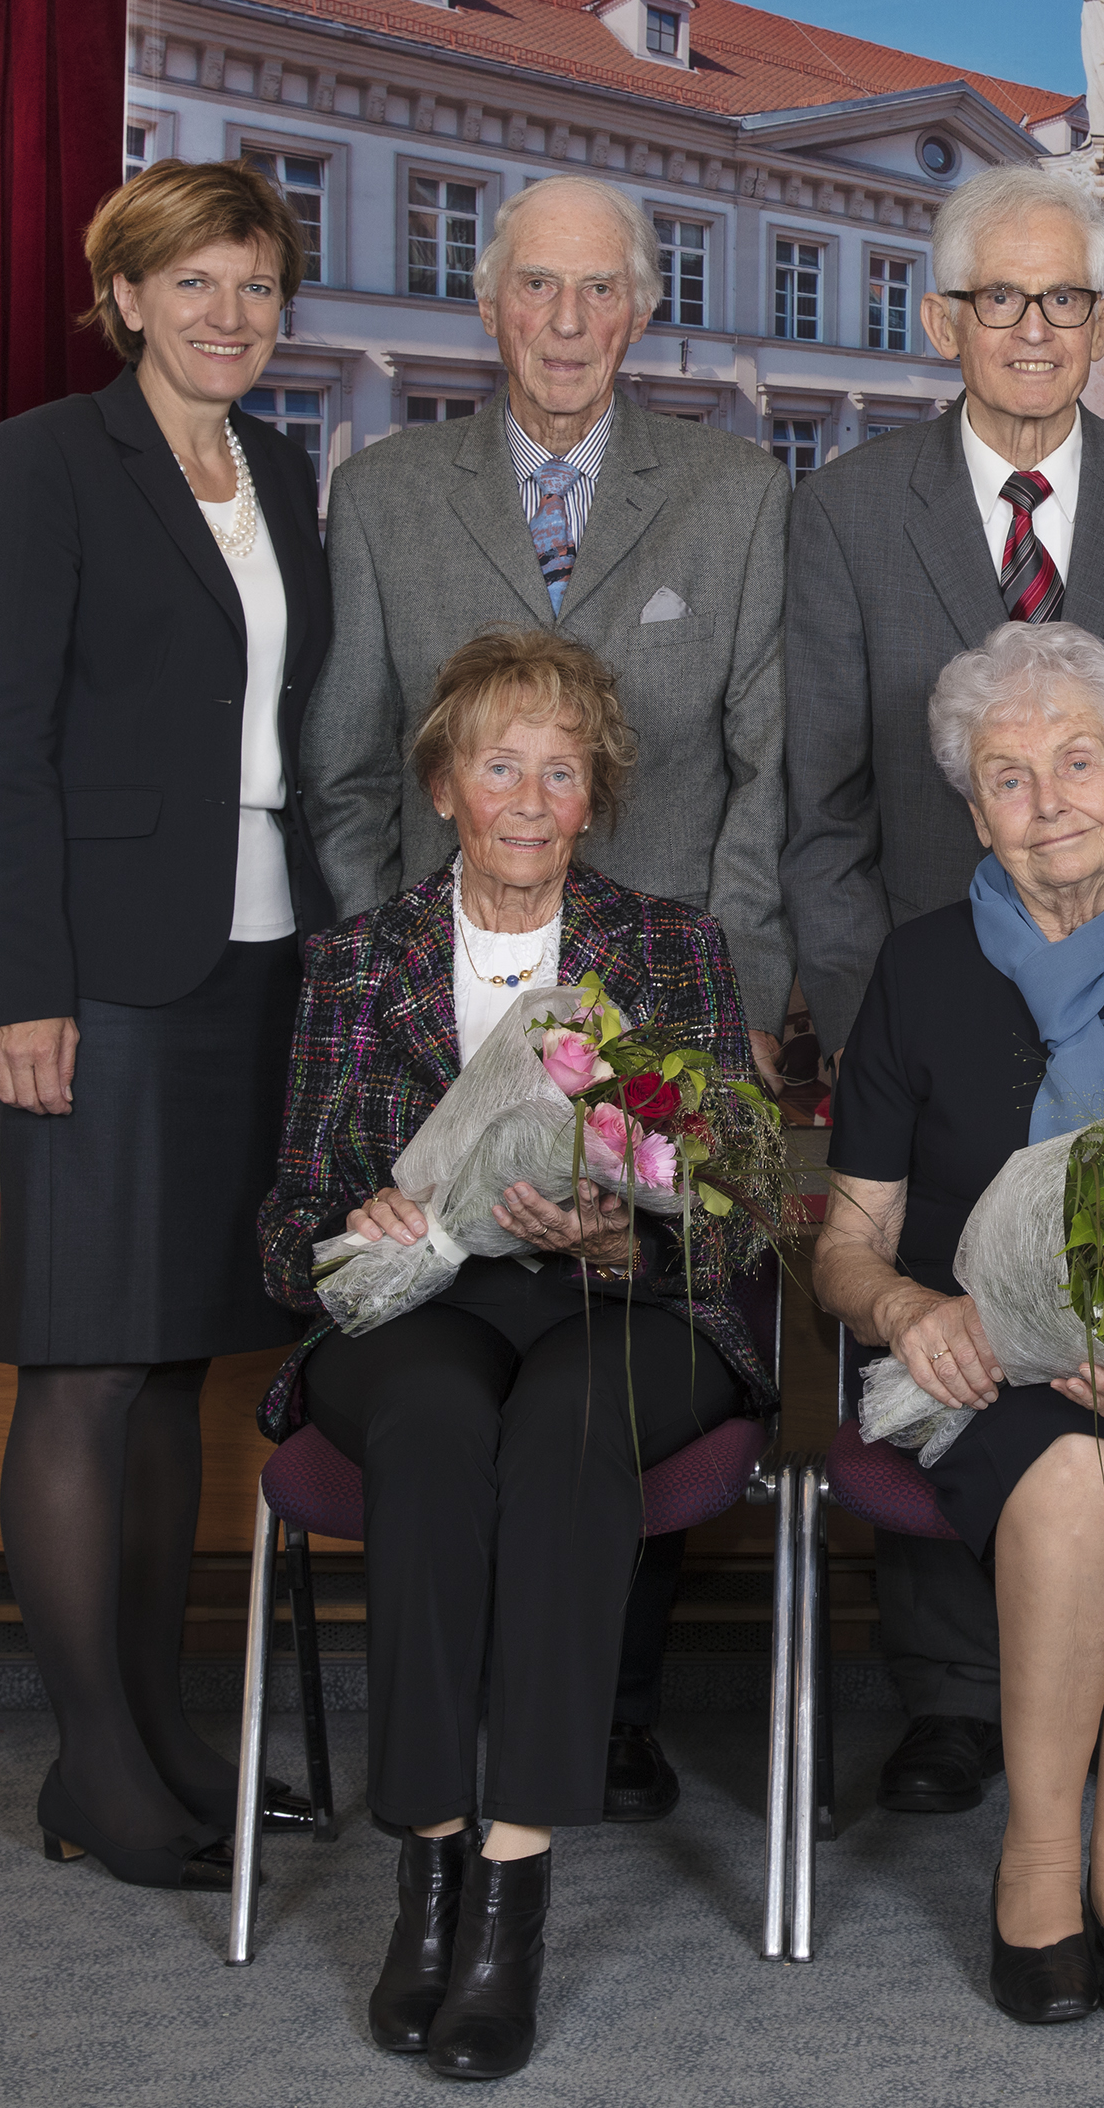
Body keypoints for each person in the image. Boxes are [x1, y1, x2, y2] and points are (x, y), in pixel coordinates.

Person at [785, 164, 1104, 1819]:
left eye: (1064, 298)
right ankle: (953, 1695)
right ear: (945, 319)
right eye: (999, 298)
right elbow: (823, 808)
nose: (1033, 328)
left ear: (1101, 316)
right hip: (942, 1018)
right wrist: (889, 1013)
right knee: (957, 1307)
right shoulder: (849, 511)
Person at [303, 171, 789, 1822]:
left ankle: (604, 1721)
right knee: (464, 1405)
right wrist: (390, 1003)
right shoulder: (385, 495)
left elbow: (770, 773)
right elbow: (346, 770)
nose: (568, 321)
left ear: (641, 312)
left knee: (606, 1364)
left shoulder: (735, 494)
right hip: (437, 1040)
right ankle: (489, 1788)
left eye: (601, 291)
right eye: (537, 286)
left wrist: (720, 1006)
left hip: (663, 1017)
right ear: (489, 301)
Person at [258, 628, 772, 2080]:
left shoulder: (671, 950)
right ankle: (425, 1871)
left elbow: (739, 1217)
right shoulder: (356, 965)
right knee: (431, 1425)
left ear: (596, 796)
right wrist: (356, 1217)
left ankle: (511, 1892)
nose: (532, 799)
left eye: (563, 769)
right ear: (443, 786)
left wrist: (624, 1236)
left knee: (566, 1428)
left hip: (619, 1303)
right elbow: (284, 1231)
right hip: (421, 1310)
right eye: (501, 766)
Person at [811, 622, 1104, 2025]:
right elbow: (846, 1245)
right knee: (1079, 1480)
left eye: (1079, 762)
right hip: (985, 1352)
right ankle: (1035, 1855)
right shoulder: (918, 970)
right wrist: (907, 1307)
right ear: (975, 812)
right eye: (1007, 777)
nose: (1048, 800)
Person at [0, 159, 330, 1892]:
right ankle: (91, 1762)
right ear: (125, 298)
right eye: (194, 282)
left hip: (256, 956)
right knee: (86, 1363)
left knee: (177, 1365)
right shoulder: (48, 462)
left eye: (254, 284)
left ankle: (169, 1736)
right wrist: (18, 984)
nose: (228, 314)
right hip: (97, 970)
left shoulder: (282, 471)